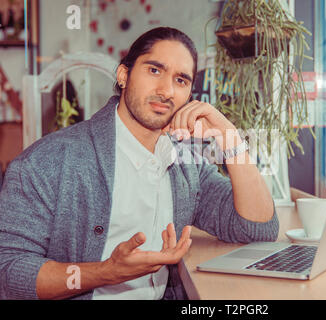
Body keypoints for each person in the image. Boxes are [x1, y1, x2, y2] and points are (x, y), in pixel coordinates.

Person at [0, 27, 278, 300]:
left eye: (181, 80)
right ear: (123, 75)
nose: (166, 90)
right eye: (154, 70)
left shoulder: (185, 163)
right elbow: (8, 272)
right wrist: (104, 273)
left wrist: (229, 136)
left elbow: (257, 227)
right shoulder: (46, 162)